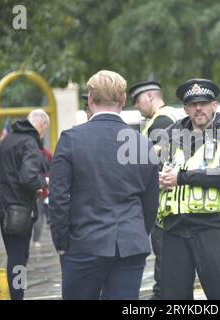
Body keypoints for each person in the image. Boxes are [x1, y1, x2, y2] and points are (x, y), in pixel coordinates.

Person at [49, 70, 159, 300]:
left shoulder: (70, 140)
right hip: (130, 245)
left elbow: (58, 199)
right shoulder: (142, 144)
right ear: (123, 101)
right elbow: (150, 203)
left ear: (90, 99)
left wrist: (61, 242)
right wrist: (137, 232)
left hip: (84, 244)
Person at [158, 78, 220, 300]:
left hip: (210, 226)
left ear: (214, 105)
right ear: (185, 109)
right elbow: (151, 171)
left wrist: (182, 177)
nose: (198, 108)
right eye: (193, 104)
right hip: (173, 228)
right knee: (173, 298)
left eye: (204, 103)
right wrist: (157, 179)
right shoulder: (168, 137)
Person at [0, 109, 50, 300]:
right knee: (19, 259)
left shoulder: (7, 140)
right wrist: (45, 182)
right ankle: (18, 296)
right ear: (41, 125)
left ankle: (16, 294)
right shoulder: (29, 142)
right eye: (45, 130)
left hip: (2, 205)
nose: (43, 135)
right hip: (19, 208)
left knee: (13, 254)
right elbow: (29, 177)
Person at [128, 80, 176, 300]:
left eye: (137, 100)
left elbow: (155, 165)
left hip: (164, 206)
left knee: (165, 260)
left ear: (150, 97)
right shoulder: (172, 117)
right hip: (174, 204)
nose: (136, 106)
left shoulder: (160, 123)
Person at [32, 146, 52, 248]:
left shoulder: (27, 151)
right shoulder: (47, 153)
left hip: (29, 188)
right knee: (38, 214)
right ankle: (36, 240)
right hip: (42, 188)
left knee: (29, 215)